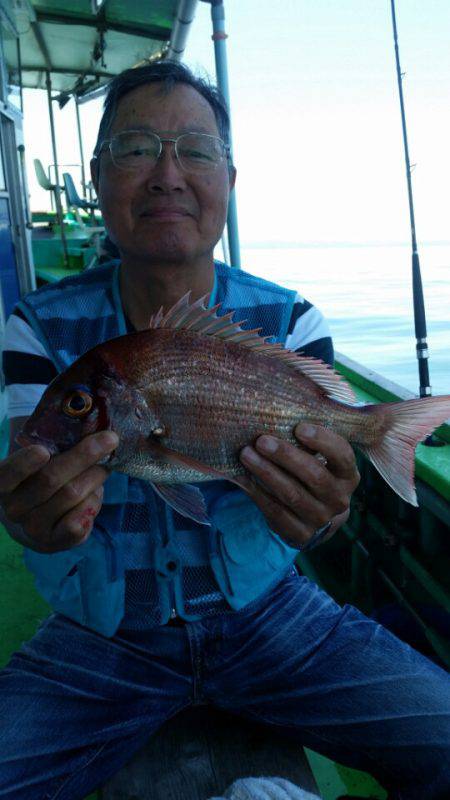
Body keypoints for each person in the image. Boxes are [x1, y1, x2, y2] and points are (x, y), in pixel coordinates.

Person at [0, 61, 449, 800]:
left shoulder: (293, 320)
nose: (168, 175)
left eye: (197, 151)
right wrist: (32, 520)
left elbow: (322, 523)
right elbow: (36, 464)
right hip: (102, 637)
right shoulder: (35, 327)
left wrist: (327, 514)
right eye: (137, 147)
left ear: (229, 183)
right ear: (98, 175)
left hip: (276, 620)